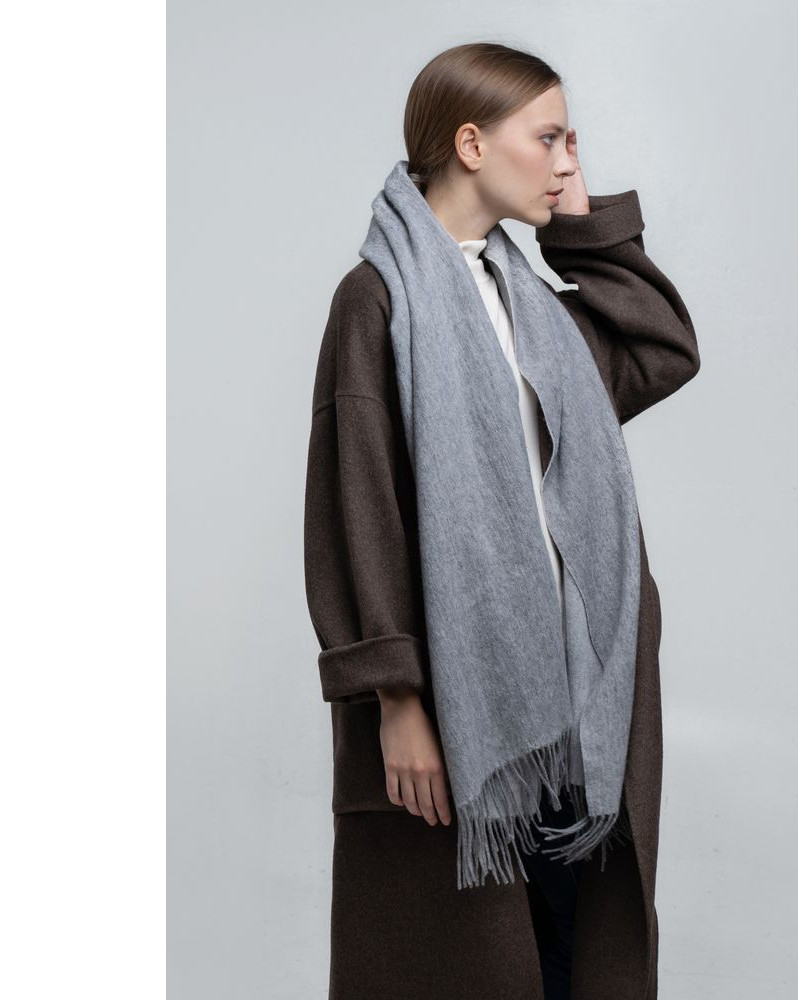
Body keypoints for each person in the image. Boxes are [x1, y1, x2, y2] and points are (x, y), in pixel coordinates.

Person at [304, 41, 700, 1000]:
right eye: (550, 138)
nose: (568, 162)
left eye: (571, 141)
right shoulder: (379, 300)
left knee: (568, 959)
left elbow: (660, 348)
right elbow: (355, 508)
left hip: (576, 704)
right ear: (472, 144)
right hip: (456, 706)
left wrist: (583, 228)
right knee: (472, 966)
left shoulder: (534, 307)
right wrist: (396, 700)